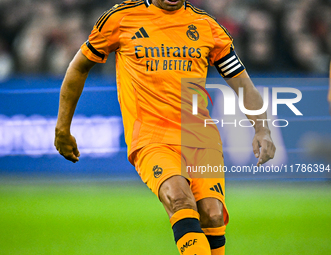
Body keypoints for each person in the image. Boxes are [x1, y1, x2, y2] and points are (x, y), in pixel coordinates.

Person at [55, 0, 276, 254]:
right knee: (179, 198)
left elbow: (243, 85)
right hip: (151, 137)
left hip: (200, 137)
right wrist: (63, 127)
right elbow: (79, 67)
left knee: (213, 215)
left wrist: (262, 129)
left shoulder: (207, 27)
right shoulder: (121, 18)